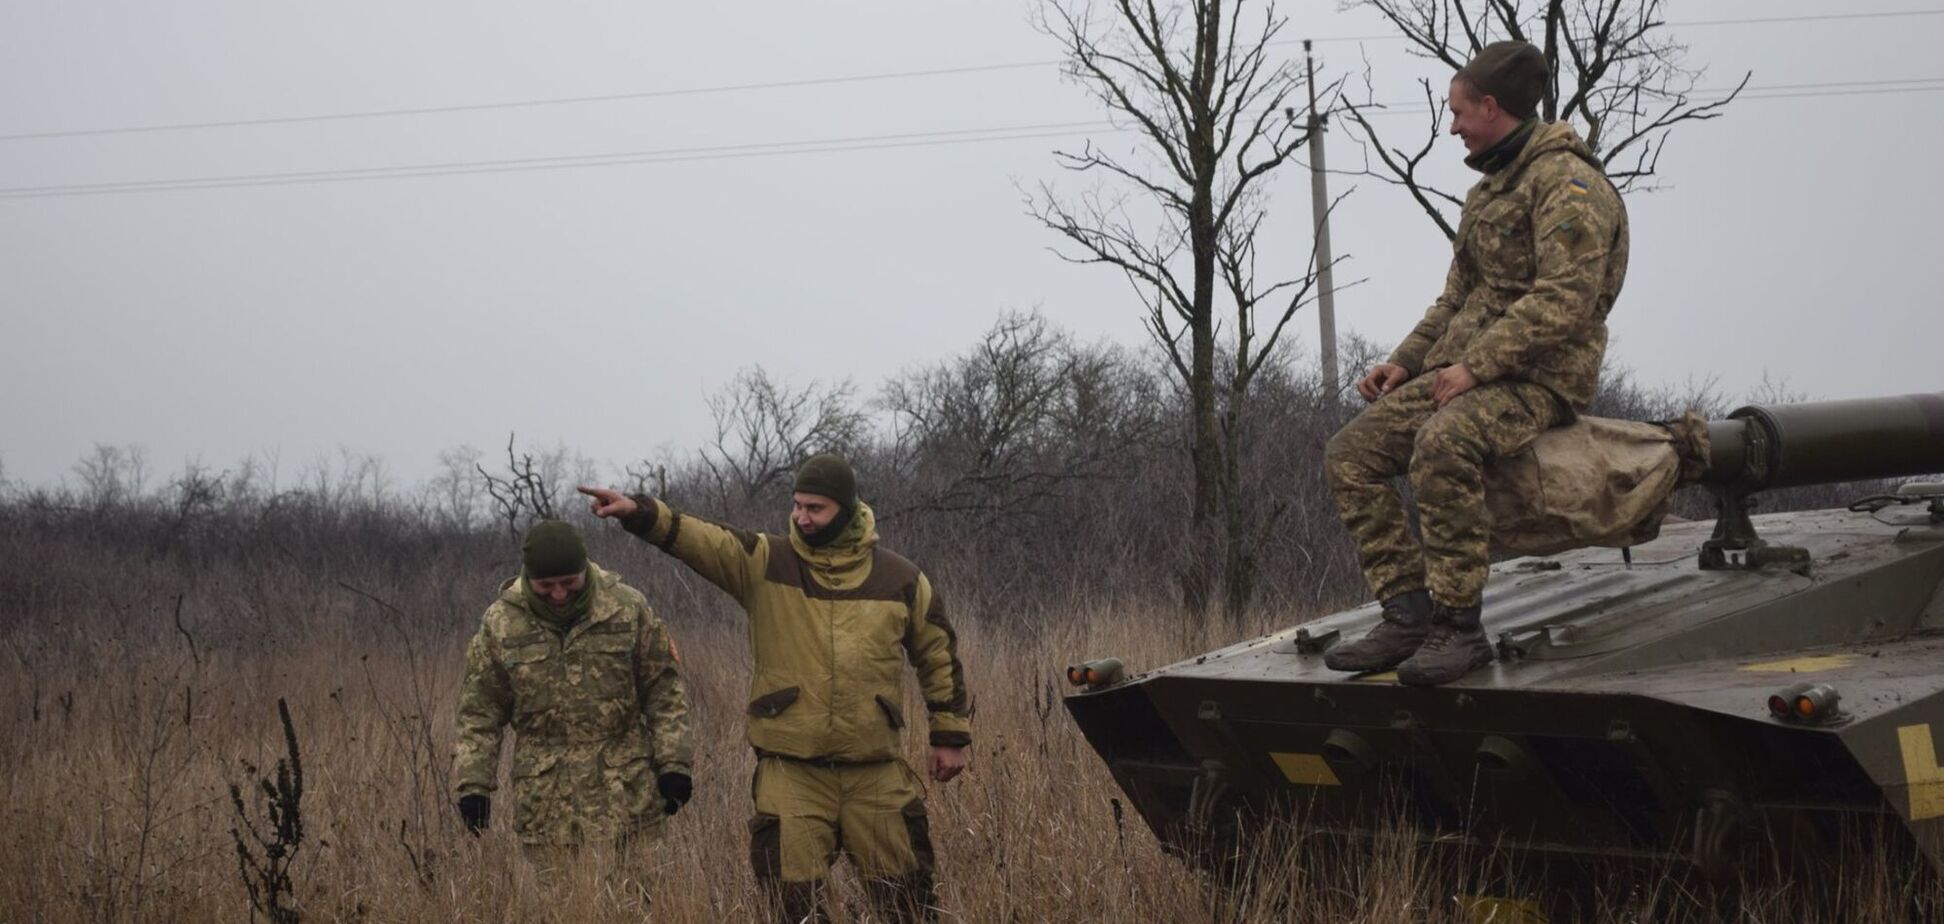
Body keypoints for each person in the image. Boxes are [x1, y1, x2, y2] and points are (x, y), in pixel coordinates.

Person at [1323, 40, 1629, 686]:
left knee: (1442, 444)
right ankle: (1407, 614)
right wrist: (1405, 363)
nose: (1453, 125)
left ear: (1492, 107)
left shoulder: (1570, 187)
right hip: (1467, 371)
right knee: (1351, 456)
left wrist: (1478, 368)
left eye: (1459, 112)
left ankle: (1459, 629)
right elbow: (1458, 297)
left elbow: (1564, 303)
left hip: (1539, 379)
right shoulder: (1488, 191)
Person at [579, 452, 971, 923]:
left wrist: (949, 735)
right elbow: (703, 540)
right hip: (791, 772)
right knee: (792, 905)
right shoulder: (765, 562)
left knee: (908, 900)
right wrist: (640, 513)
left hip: (876, 770)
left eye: (815, 508)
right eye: (797, 506)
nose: (801, 518)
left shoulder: (901, 578)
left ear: (845, 510)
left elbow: (937, 652)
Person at [451, 519, 694, 871]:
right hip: (546, 803)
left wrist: (675, 764)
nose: (559, 594)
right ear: (528, 578)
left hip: (629, 792)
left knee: (644, 901)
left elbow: (664, 691)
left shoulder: (627, 609)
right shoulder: (501, 623)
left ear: (585, 570)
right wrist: (474, 785)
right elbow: (479, 712)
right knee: (557, 907)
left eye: (569, 583)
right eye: (546, 585)